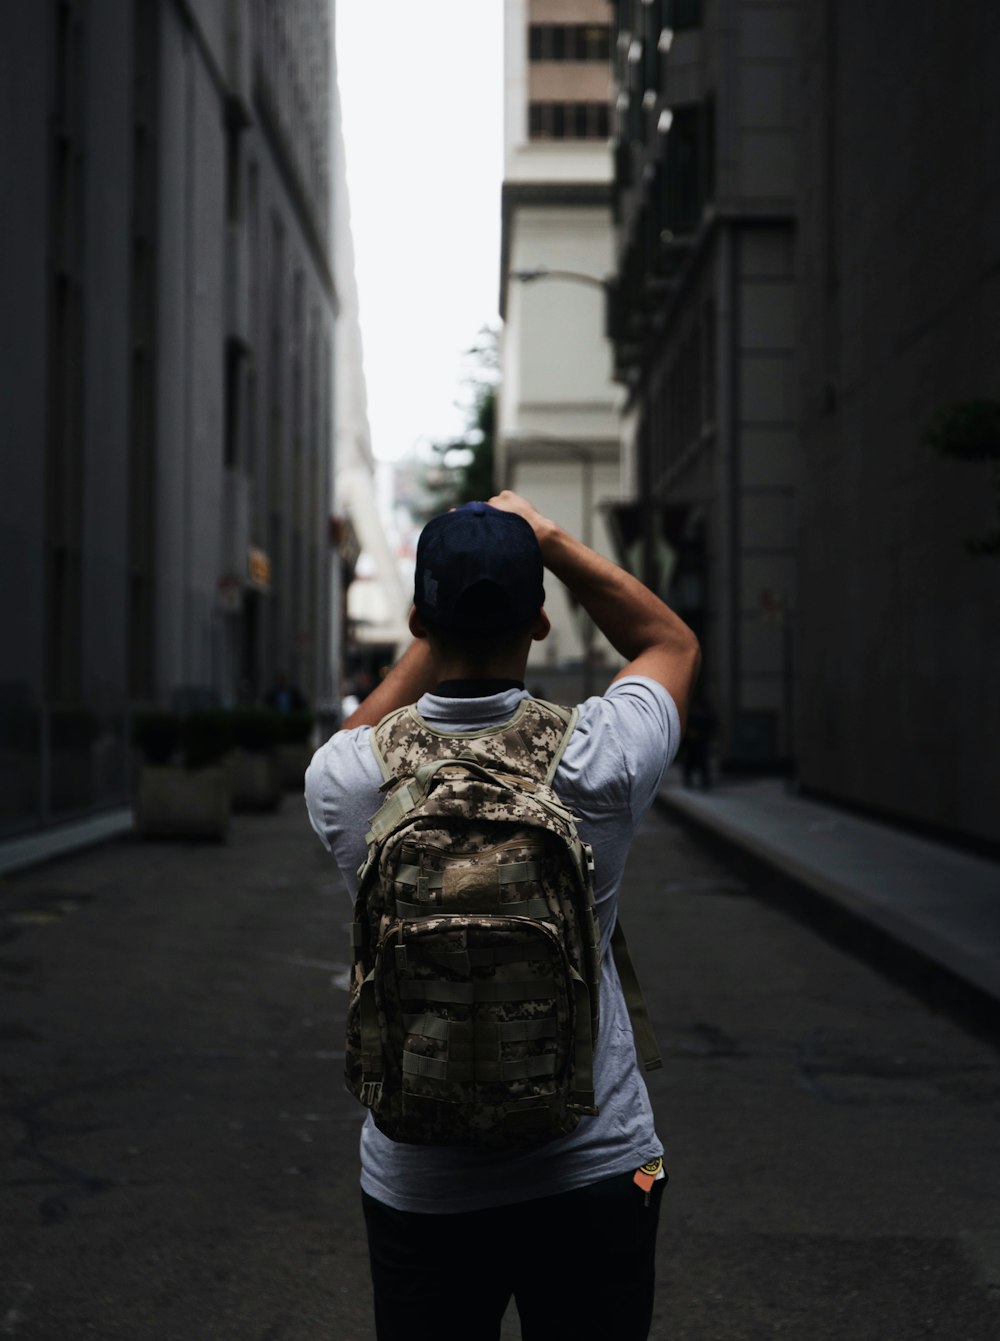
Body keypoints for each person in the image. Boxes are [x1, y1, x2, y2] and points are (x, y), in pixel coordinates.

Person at [305, 492, 700, 1341]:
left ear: (418, 619)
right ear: (541, 622)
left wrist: (438, 630)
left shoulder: (347, 781)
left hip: (422, 1184)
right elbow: (670, 641)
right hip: (597, 1170)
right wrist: (547, 536)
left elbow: (355, 735)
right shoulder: (601, 755)